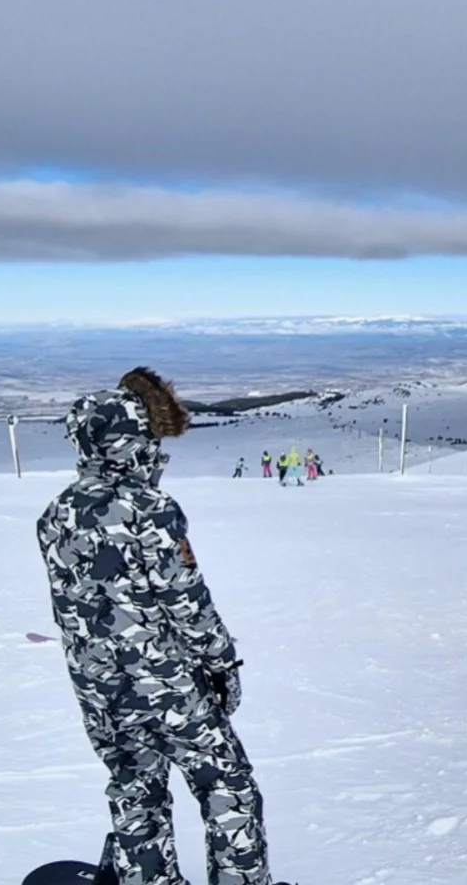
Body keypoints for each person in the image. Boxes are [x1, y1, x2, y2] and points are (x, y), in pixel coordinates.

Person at [34, 367, 276, 885]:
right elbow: (185, 599)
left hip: (98, 688)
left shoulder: (56, 514)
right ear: (135, 441)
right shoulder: (149, 510)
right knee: (226, 785)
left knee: (135, 789)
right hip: (165, 683)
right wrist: (221, 661)